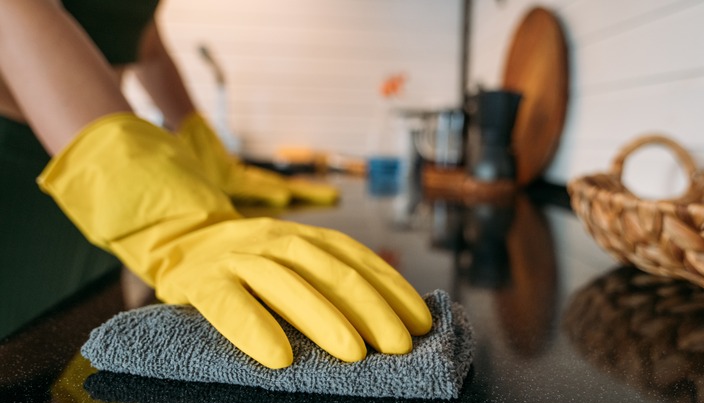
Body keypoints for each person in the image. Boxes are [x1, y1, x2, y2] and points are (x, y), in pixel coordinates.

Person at [0, 0, 432, 369]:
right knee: (23, 345)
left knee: (81, 338)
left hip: (101, 163)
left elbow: (146, 44)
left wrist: (206, 151)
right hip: (34, 157)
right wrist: (173, 224)